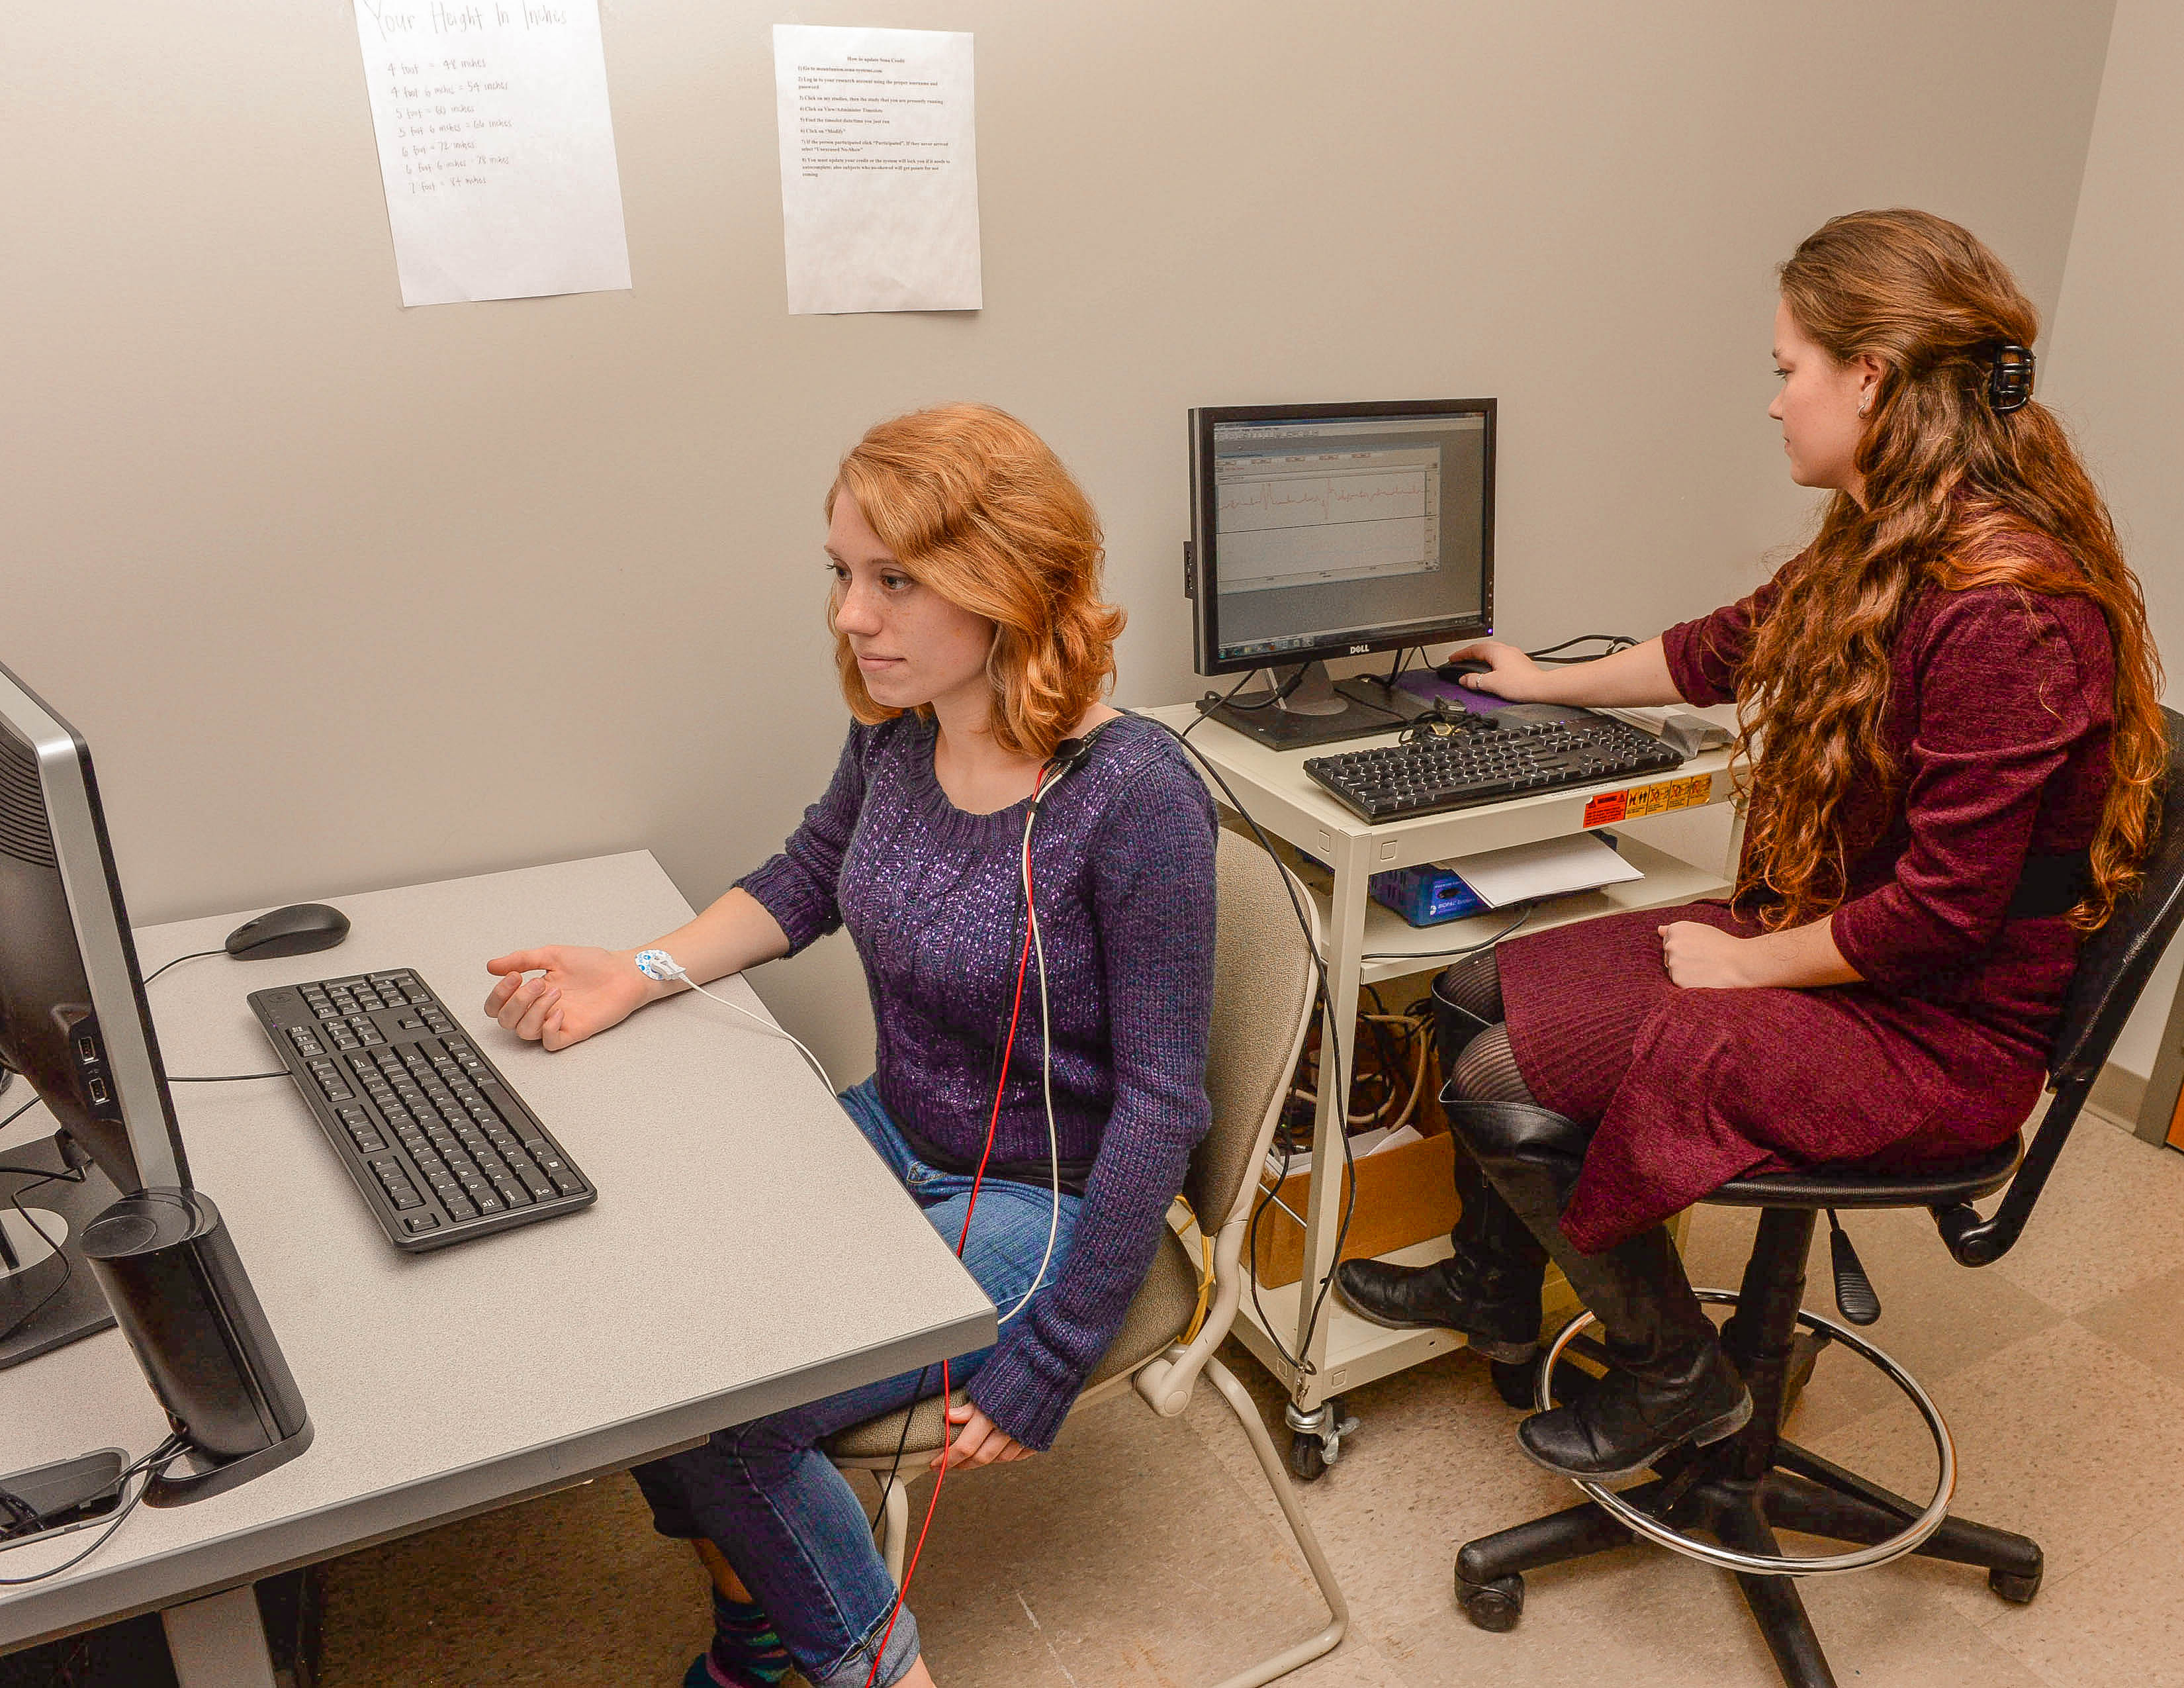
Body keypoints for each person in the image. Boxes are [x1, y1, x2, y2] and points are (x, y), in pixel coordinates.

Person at [1337, 208, 2166, 1481]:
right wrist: (1541, 682)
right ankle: (1491, 1293)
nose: (1776, 401)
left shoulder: (2010, 611)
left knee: (1504, 1078)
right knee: (1464, 991)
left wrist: (1746, 967)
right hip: (1842, 945)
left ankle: (1681, 1378)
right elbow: (1724, 646)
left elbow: (1945, 916)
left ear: (1871, 377)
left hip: (1935, 1026)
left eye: (1789, 369)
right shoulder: (1892, 531)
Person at [480, 403, 1218, 1688]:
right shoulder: (901, 726)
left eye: (894, 581)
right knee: (648, 1323)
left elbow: (1162, 1104)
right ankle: (762, 1621)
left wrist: (1055, 1352)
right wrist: (637, 972)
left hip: (1051, 1202)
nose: (849, 617)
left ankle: (867, 1667)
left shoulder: (1135, 796)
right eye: (841, 574)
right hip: (898, 1129)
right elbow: (813, 873)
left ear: (1003, 580)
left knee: (740, 1412)